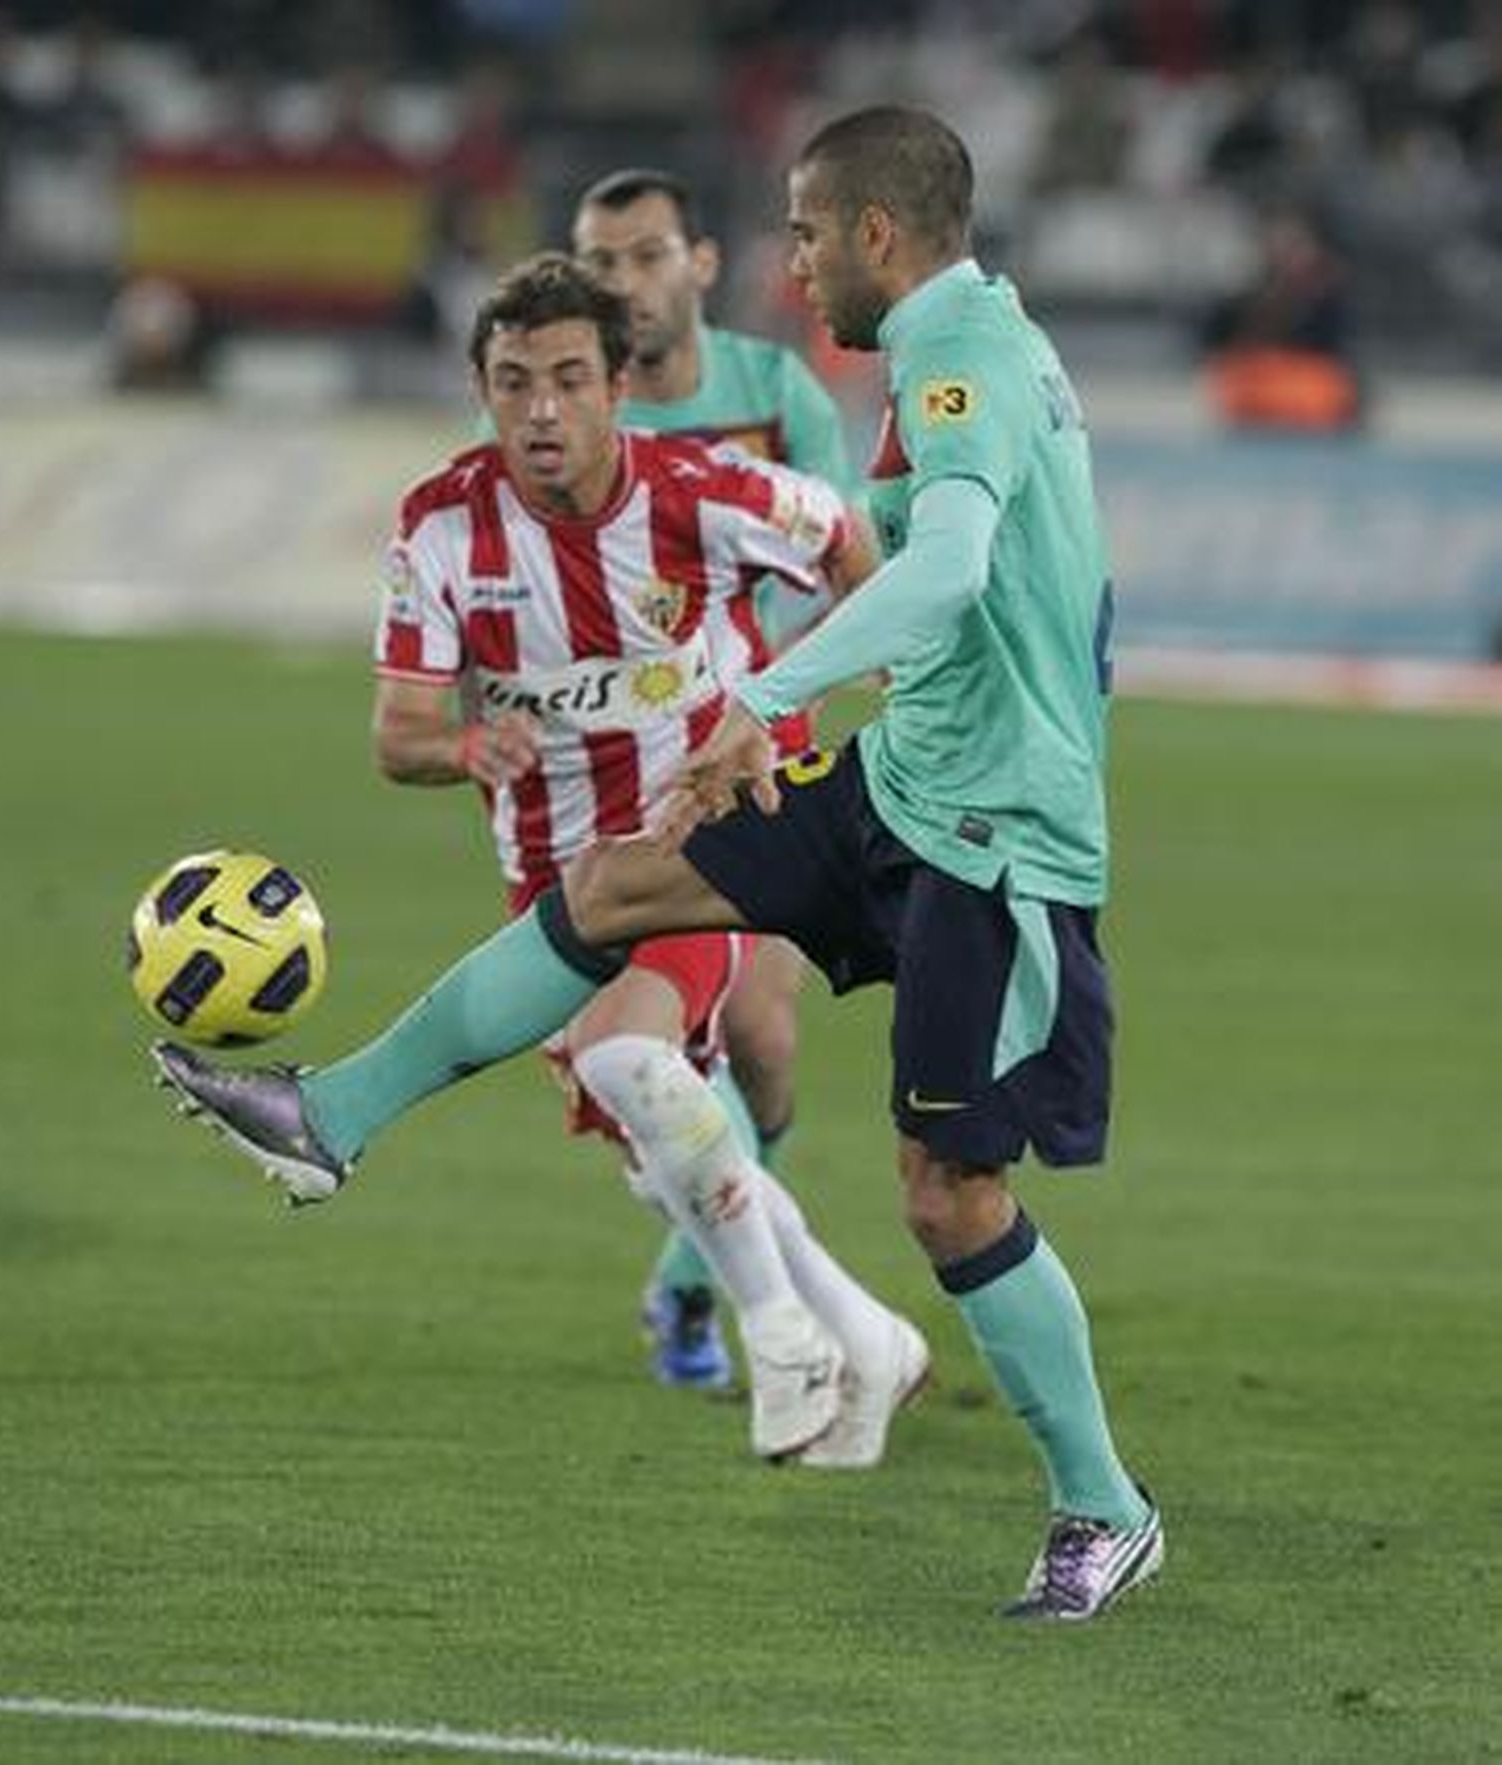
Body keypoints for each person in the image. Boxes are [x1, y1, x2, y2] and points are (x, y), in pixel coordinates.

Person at [155, 106, 1163, 1620]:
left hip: (997, 834)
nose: (794, 260)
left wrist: (756, 695)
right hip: (908, 777)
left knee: (951, 1196)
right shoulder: (968, 349)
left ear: (877, 235)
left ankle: (1102, 1508)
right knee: (624, 883)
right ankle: (329, 1115)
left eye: (809, 232)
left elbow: (950, 569)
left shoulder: (959, 363)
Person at [206, 249, 926, 1468]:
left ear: (616, 390)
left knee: (631, 1058)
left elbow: (854, 546)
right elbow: (398, 734)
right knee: (664, 1152)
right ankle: (871, 1333)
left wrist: (817, 697)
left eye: (568, 380)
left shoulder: (704, 492)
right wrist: (469, 743)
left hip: (703, 842)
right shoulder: (441, 525)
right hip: (550, 882)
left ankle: (784, 1338)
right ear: (483, 390)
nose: (541, 409)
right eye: (513, 381)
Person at [569, 166, 855, 1389]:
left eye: (640, 255)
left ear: (698, 263)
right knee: (658, 1048)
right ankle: (733, 1292)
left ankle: (693, 1278)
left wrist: (787, 705)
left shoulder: (773, 392)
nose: (617, 281)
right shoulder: (561, 401)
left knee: (761, 1035)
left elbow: (851, 552)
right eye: (597, 259)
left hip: (758, 731)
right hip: (618, 756)